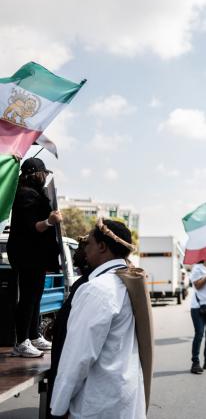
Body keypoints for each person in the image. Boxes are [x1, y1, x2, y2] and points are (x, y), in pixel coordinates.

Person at [50, 219, 149, 418]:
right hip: (121, 396)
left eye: (90, 244)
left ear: (102, 247)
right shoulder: (127, 282)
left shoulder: (97, 289)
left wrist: (58, 407)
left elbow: (78, 356)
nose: (86, 249)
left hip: (98, 403)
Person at [7, 157, 62, 357]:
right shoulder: (25, 195)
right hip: (26, 255)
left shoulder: (35, 194)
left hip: (36, 255)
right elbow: (32, 227)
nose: (45, 176)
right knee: (27, 299)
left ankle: (33, 335)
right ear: (36, 174)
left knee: (36, 296)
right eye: (43, 173)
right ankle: (21, 342)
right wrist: (50, 221)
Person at [46, 236, 92, 418]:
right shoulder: (84, 282)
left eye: (81, 249)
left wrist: (61, 402)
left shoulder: (88, 285)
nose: (76, 255)